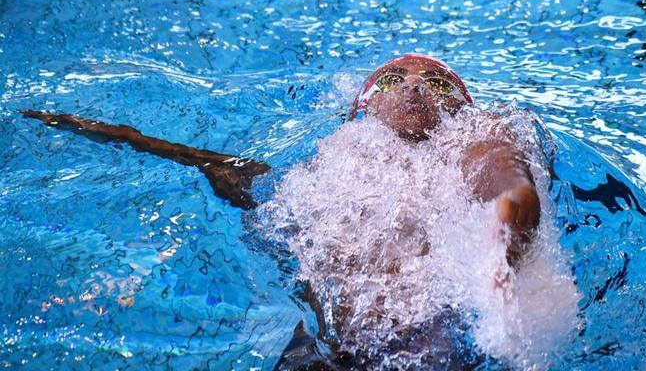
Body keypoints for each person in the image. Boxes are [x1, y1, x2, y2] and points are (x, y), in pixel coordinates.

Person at [20, 54, 541, 369]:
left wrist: (506, 227)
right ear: (359, 110)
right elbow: (186, 155)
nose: (412, 85)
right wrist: (105, 132)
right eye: (390, 79)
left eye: (438, 82)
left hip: (434, 342)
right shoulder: (306, 184)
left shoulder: (470, 146)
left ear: (460, 109)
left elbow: (504, 179)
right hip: (321, 346)